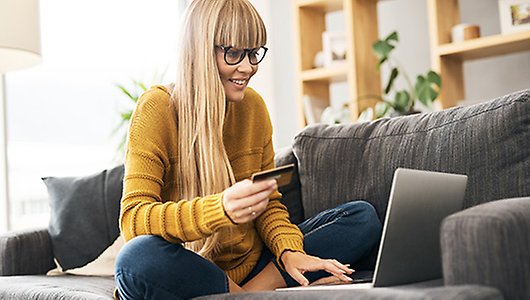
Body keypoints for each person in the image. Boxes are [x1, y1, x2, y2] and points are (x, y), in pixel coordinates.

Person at [114, 0, 381, 299]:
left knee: (361, 218)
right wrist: (221, 209)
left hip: (253, 267)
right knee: (135, 260)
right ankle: (257, 294)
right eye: (233, 53)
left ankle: (248, 294)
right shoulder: (157, 109)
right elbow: (134, 220)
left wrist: (289, 251)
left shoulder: (253, 108)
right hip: (189, 270)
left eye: (254, 53)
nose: (248, 67)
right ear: (200, 51)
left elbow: (269, 204)